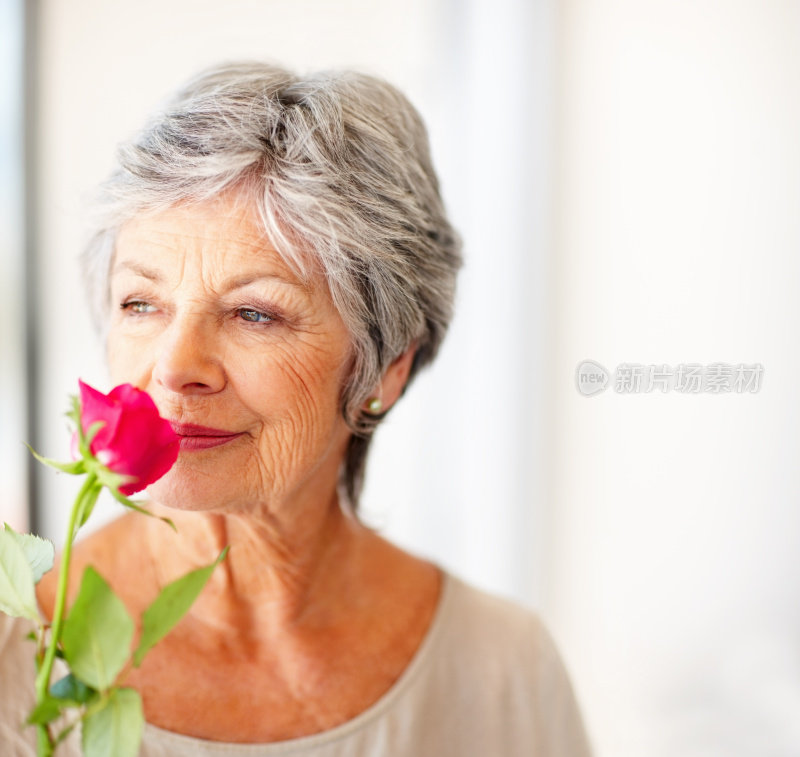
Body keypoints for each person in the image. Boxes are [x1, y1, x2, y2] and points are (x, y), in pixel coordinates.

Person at [0, 62, 591, 756]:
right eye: (141, 303)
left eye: (255, 312)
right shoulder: (15, 646)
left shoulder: (503, 670)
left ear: (388, 365)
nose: (175, 366)